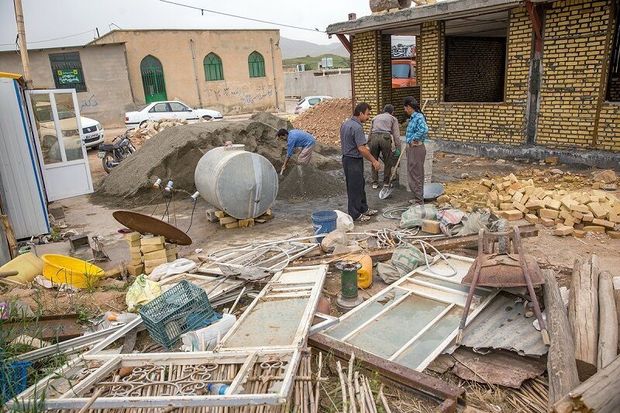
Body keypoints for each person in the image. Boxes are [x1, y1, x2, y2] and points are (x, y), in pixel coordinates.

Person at [340, 102, 382, 222]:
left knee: (359, 185)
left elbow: (353, 143)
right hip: (353, 160)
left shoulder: (346, 124)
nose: (368, 117)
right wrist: (374, 161)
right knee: (354, 187)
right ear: (360, 113)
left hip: (348, 158)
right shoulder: (357, 127)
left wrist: (362, 147)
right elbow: (361, 148)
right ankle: (355, 214)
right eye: (367, 114)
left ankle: (363, 208)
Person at [368, 104, 401, 189]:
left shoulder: (375, 117)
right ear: (392, 112)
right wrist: (398, 147)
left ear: (383, 110)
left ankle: (375, 183)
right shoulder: (393, 118)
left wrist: (368, 142)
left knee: (374, 160)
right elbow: (396, 135)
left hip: (374, 138)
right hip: (385, 138)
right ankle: (386, 183)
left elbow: (370, 131)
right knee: (388, 161)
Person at [403, 96, 428, 205]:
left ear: (409, 107)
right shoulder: (414, 117)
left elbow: (424, 129)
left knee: (416, 174)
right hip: (413, 148)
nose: (405, 110)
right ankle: (417, 197)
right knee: (413, 173)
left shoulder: (418, 117)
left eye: (405, 108)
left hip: (416, 149)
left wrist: (414, 139)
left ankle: (419, 200)